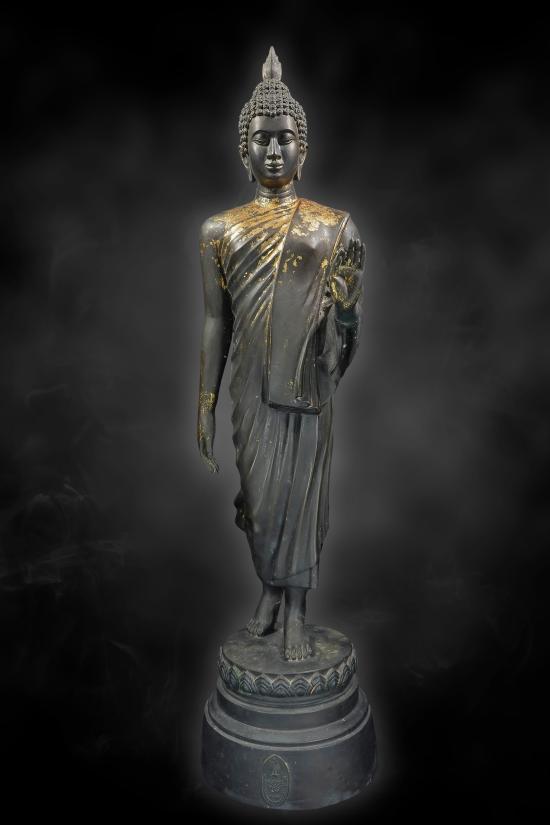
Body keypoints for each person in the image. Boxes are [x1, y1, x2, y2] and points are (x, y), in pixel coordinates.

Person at [197, 47, 365, 661]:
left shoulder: (333, 228)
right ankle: (270, 591)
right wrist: (205, 401)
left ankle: (295, 610)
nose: (273, 150)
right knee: (260, 499)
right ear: (243, 151)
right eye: (261, 139)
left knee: (298, 495)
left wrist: (344, 313)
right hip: (248, 386)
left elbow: (348, 328)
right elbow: (216, 320)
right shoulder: (220, 231)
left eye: (284, 138)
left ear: (304, 149)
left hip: (305, 382)